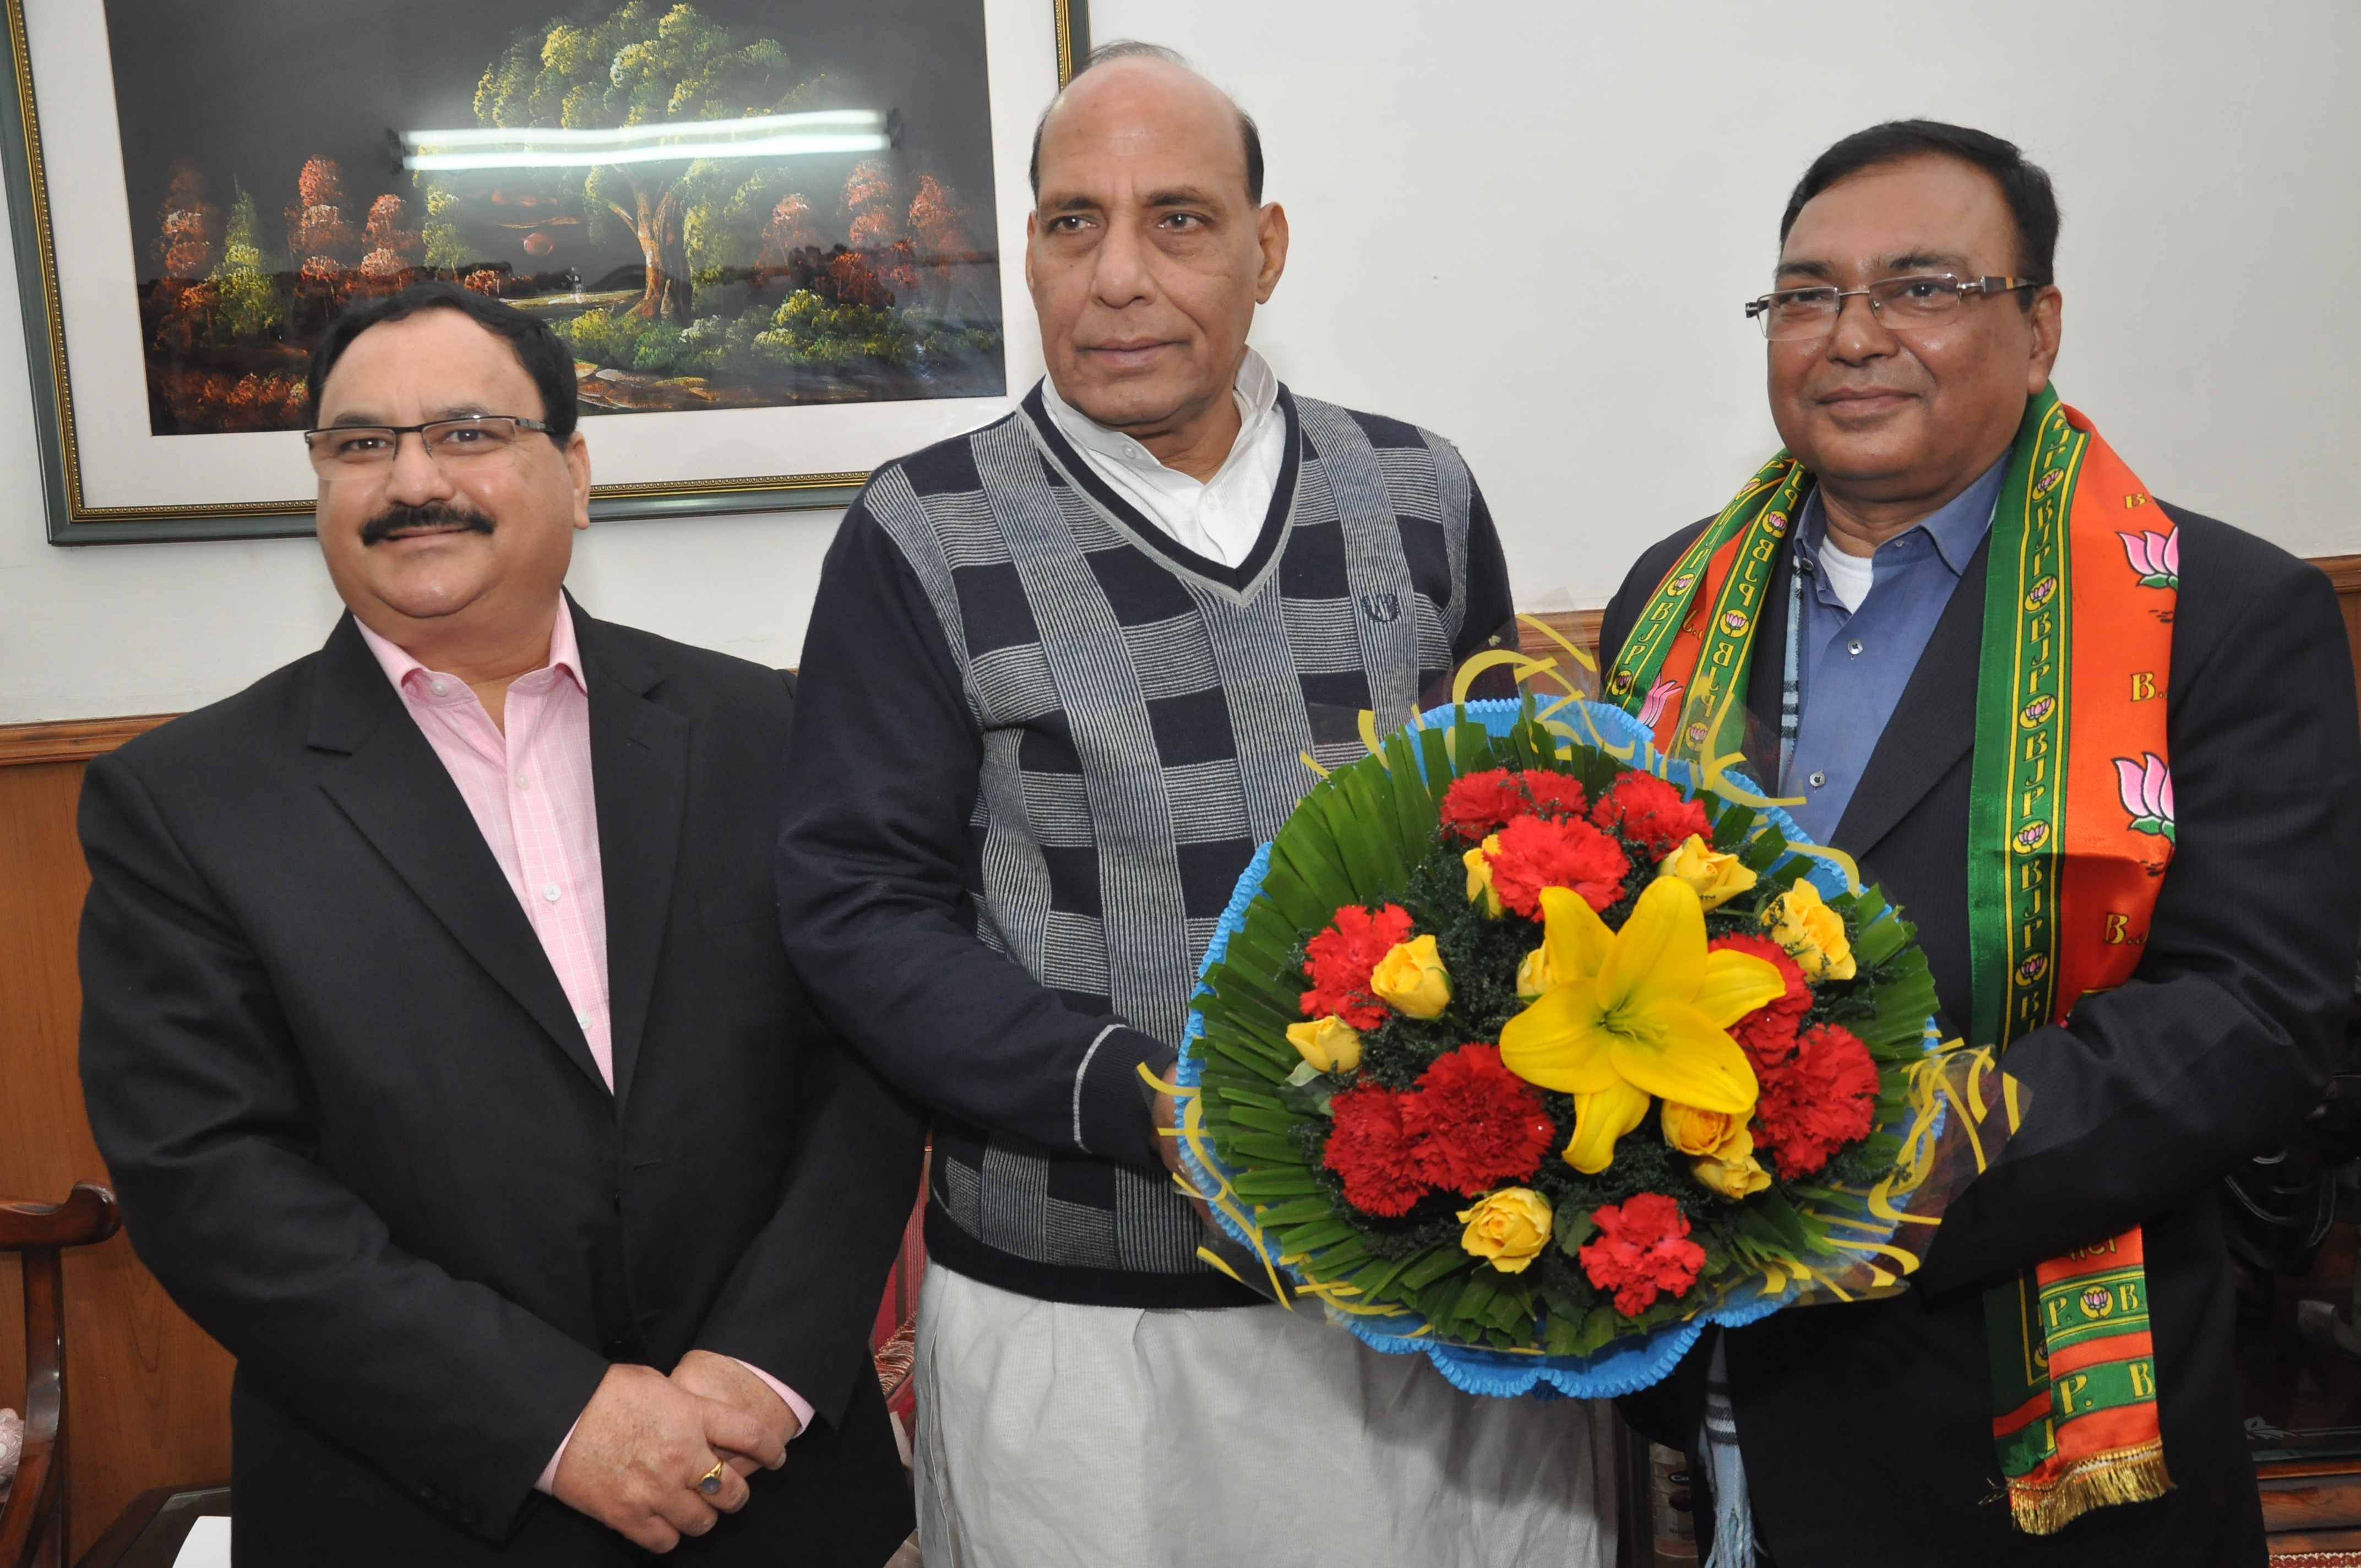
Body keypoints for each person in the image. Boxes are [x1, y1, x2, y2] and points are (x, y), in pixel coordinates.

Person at [777, 40, 1612, 1568]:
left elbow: (1523, 852)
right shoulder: (923, 532)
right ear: (1024, 251)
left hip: (1425, 1298)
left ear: (1265, 246)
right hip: (1088, 1322)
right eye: (1070, 224)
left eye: (1177, 219)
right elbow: (857, 913)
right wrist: (1143, 1100)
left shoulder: (1418, 494)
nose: (1116, 277)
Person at [1602, 122, 2361, 1565]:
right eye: (1807, 294)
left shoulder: (2214, 612)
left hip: (2039, 1430)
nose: (1854, 336)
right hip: (1726, 1397)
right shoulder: (1674, 600)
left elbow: (2256, 1016)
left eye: (1925, 288)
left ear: (2040, 324)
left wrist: (1927, 1145)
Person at [77, 282, 926, 1566]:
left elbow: (865, 1064)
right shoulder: (186, 802)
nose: (411, 478)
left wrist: (765, 1362)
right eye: (360, 444)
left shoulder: (773, 731)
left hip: (776, 1484)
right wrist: (555, 1419)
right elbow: (212, 1181)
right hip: (414, 1503)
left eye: (467, 432)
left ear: (576, 472)